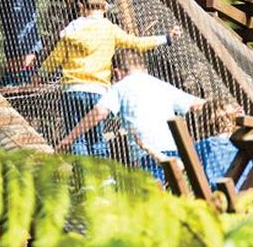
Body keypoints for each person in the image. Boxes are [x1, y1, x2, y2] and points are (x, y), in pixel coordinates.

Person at [39, 0, 180, 156]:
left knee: (77, 138)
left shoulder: (72, 30)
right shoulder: (110, 29)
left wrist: (39, 75)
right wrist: (165, 38)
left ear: (82, 8)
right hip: (98, 90)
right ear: (104, 9)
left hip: (73, 89)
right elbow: (135, 43)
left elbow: (55, 58)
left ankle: (86, 177)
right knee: (97, 137)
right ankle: (104, 177)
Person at [54, 48, 199, 166]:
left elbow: (99, 112)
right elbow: (197, 104)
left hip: (146, 155)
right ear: (144, 68)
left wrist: (69, 139)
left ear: (117, 72)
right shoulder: (161, 84)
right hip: (175, 151)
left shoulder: (121, 86)